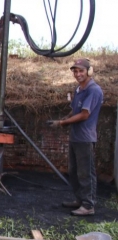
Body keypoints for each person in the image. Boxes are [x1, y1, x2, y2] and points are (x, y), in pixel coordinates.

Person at [48, 58, 103, 216]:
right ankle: (80, 200)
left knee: (86, 172)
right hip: (76, 137)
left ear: (89, 71)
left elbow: (84, 115)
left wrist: (62, 123)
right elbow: (75, 111)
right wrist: (64, 118)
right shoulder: (79, 89)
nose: (78, 74)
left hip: (85, 138)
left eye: (81, 71)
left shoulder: (94, 90)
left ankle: (88, 205)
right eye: (75, 71)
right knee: (74, 171)